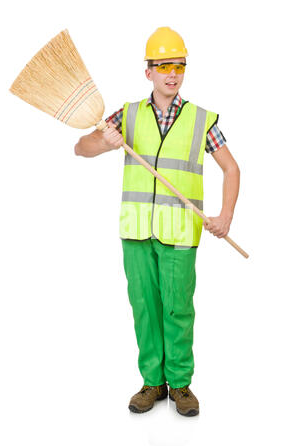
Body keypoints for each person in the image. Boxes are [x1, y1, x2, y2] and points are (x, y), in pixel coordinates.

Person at [74, 27, 240, 417]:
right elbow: (81, 148)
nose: (172, 72)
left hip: (181, 232)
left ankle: (181, 385)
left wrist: (225, 216)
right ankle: (152, 383)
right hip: (135, 230)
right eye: (163, 65)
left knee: (177, 308)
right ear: (148, 71)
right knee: (144, 306)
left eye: (178, 65)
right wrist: (105, 141)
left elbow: (231, 169)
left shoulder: (202, 120)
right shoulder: (127, 115)